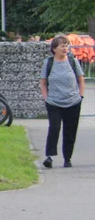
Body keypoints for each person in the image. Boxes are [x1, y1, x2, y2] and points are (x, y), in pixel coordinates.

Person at [41, 34, 85, 169]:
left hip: (73, 102)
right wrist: (46, 98)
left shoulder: (73, 61)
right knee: (54, 128)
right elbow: (43, 82)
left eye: (67, 45)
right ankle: (49, 157)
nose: (65, 48)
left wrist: (80, 96)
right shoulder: (48, 62)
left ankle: (67, 158)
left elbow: (81, 80)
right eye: (62, 46)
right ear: (54, 48)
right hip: (54, 102)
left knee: (70, 131)